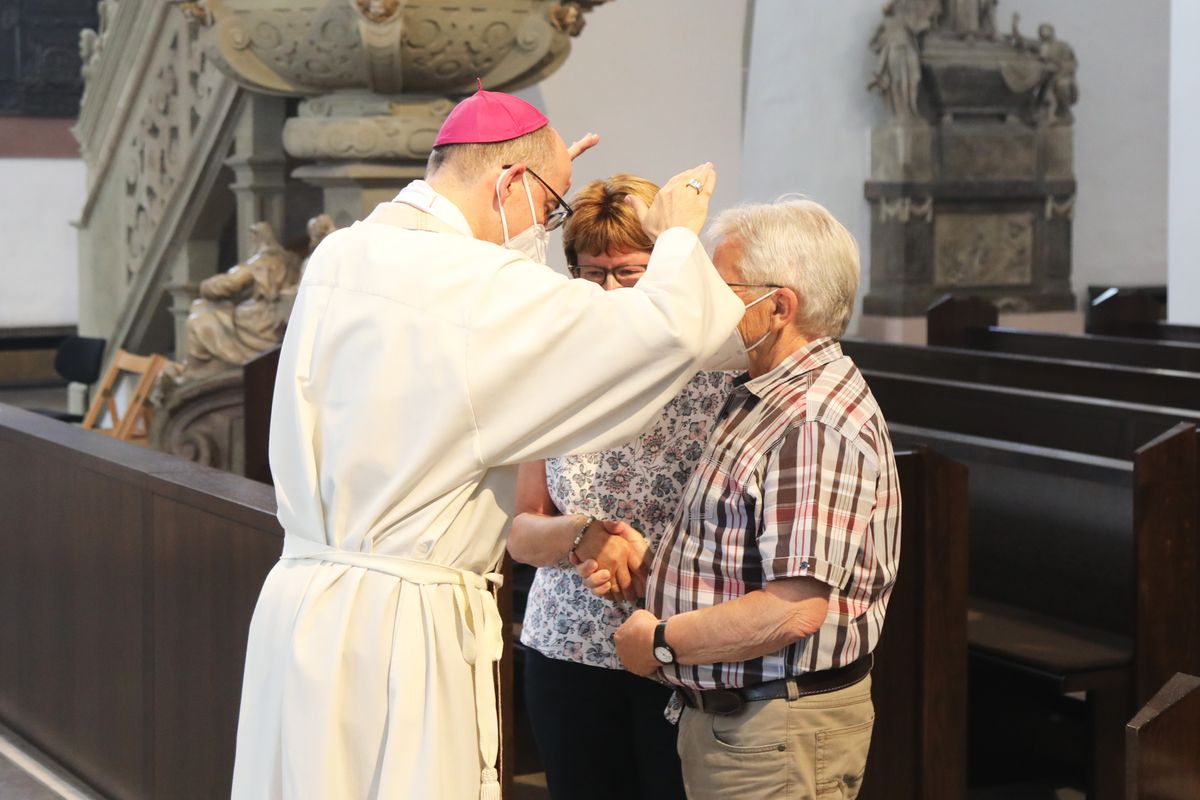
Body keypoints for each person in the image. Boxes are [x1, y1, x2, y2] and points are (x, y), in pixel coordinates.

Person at [230, 86, 747, 799]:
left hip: (309, 602)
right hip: (403, 625)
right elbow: (666, 333)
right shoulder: (478, 284)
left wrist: (545, 171)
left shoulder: (342, 255)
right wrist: (682, 232)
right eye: (552, 206)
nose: (546, 230)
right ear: (509, 182)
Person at [579, 198, 902, 800]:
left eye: (720, 289)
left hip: (774, 729)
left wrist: (659, 641)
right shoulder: (765, 390)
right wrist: (662, 568)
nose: (708, 307)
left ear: (779, 306)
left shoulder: (811, 420)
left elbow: (793, 608)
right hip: (745, 721)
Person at [508, 174, 733, 800]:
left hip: (683, 647)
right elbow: (522, 532)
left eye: (629, 271)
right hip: (567, 649)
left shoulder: (716, 370)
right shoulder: (551, 369)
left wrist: (646, 567)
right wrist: (584, 539)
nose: (608, 290)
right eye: (591, 273)